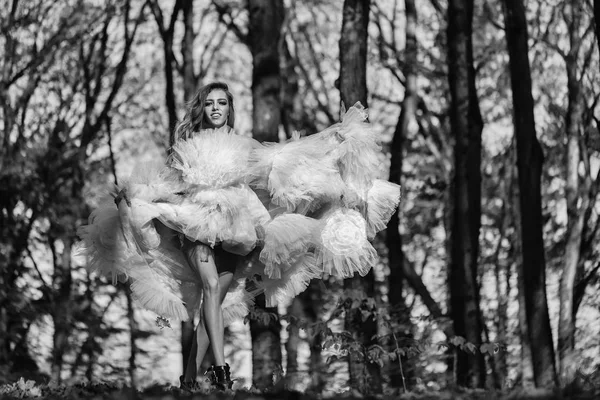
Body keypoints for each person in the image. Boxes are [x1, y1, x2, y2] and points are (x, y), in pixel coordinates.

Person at [78, 81, 401, 392]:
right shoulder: (186, 146)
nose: (215, 108)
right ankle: (221, 371)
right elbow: (167, 183)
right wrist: (137, 197)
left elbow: (286, 157)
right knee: (210, 285)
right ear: (202, 109)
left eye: (222, 103)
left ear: (230, 109)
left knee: (213, 302)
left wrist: (333, 141)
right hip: (195, 224)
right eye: (209, 103)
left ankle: (189, 379)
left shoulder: (245, 145)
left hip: (237, 230)